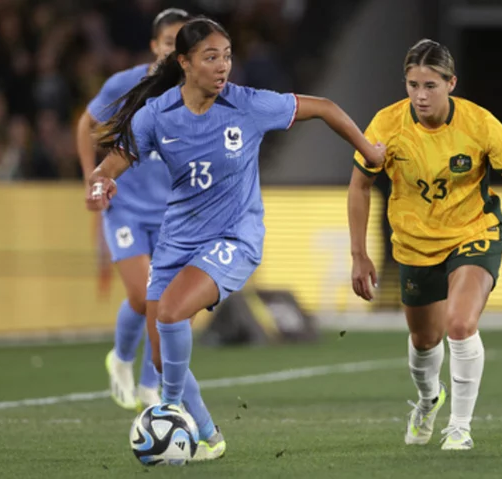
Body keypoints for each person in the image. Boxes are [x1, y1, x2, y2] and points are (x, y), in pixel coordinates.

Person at [87, 16, 385, 458]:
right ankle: (209, 436)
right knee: (157, 353)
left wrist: (369, 149)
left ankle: (170, 412)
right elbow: (115, 160)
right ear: (184, 62)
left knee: (170, 315)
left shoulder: (247, 105)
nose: (223, 66)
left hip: (234, 236)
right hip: (177, 239)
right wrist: (101, 181)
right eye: (211, 58)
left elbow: (323, 106)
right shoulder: (158, 114)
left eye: (226, 56)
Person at [348, 39, 502, 450]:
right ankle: (428, 400)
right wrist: (359, 254)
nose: (420, 96)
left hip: (474, 233)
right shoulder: (387, 125)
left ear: (451, 83)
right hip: (413, 245)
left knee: (459, 324)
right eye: (412, 85)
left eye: (430, 85)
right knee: (425, 340)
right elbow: (360, 186)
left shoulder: (479, 125)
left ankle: (460, 428)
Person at [76, 8, 189, 412]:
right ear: (154, 46)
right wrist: (93, 178)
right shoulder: (124, 84)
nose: (176, 51)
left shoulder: (194, 93)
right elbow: (85, 125)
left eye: (184, 45)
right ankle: (121, 358)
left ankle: (148, 384)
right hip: (125, 207)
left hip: (172, 214)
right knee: (144, 297)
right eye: (170, 43)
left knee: (167, 302)